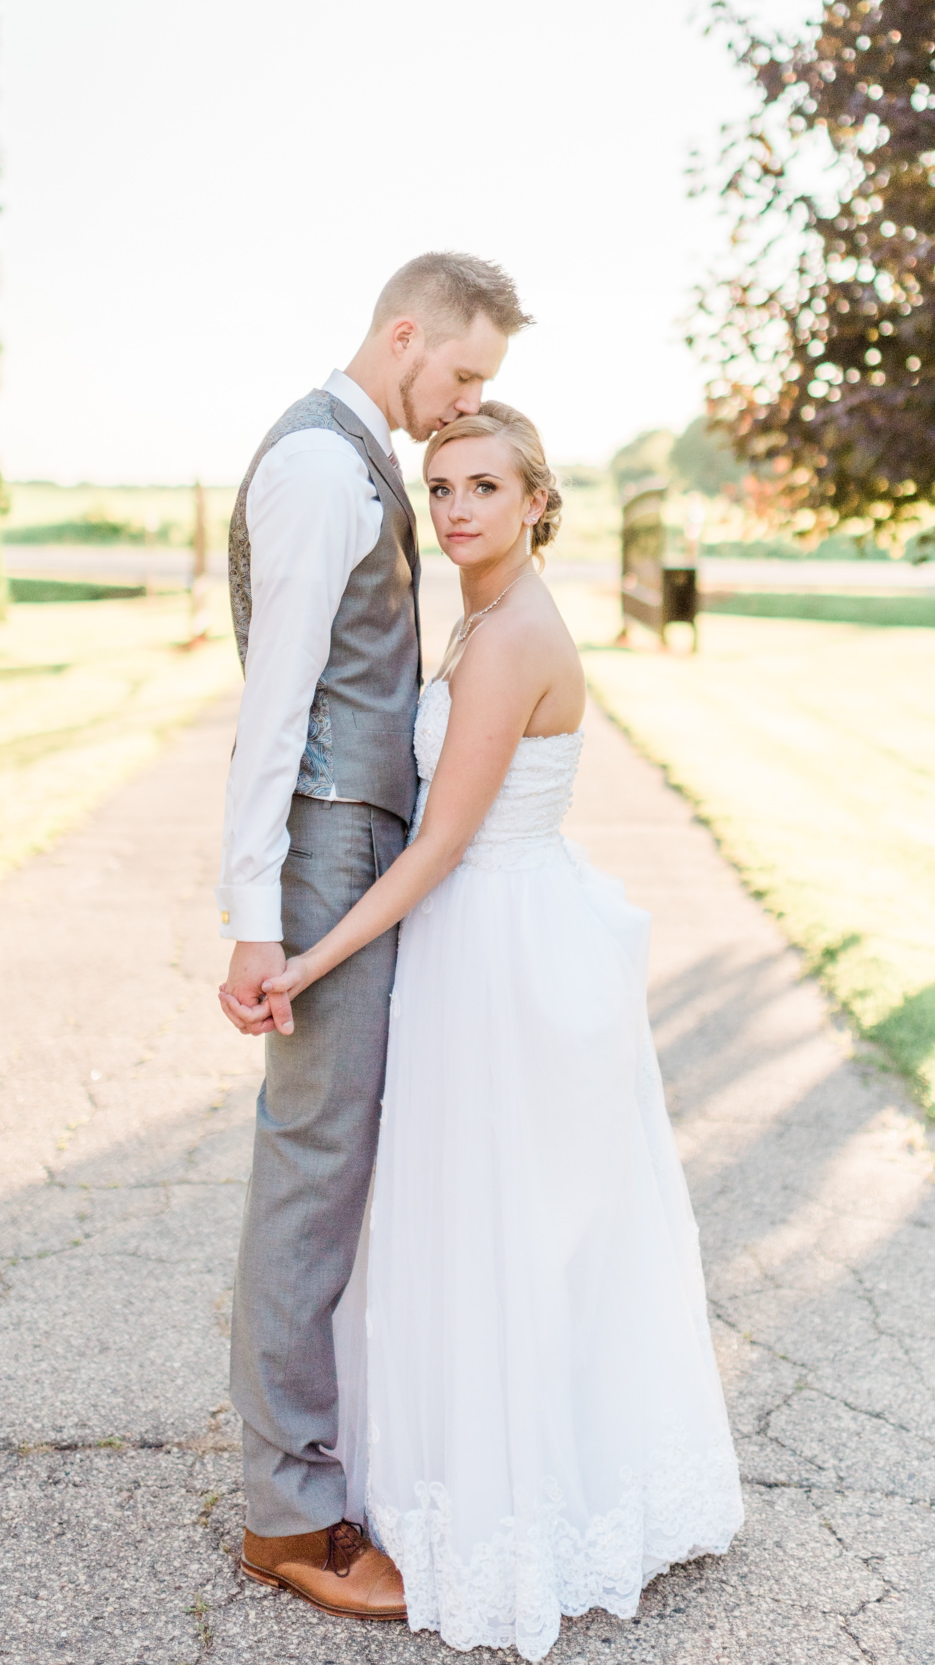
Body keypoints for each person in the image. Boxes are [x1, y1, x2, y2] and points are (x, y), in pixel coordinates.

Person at [256, 403, 744, 1660]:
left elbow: (440, 846)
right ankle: (483, 1470)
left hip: (498, 947)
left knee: (500, 1224)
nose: (457, 507)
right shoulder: (479, 615)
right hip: (493, 927)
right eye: (440, 486)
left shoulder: (507, 637)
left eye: (484, 486)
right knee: (480, 1216)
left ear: (537, 500)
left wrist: (304, 953)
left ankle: (510, 1499)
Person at [216, 252, 533, 1622]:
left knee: (339, 1168)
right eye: (461, 374)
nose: (464, 402)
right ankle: (288, 1519)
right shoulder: (321, 472)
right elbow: (273, 711)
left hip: (361, 838)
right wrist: (250, 919)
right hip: (327, 846)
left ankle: (320, 1459)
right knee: (312, 1168)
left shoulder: (360, 467)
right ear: (403, 335)